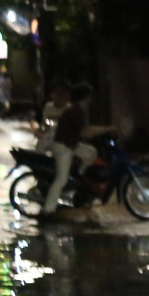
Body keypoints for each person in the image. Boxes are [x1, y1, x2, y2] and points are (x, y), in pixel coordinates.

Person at [40, 83, 95, 219]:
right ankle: (48, 210)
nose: (91, 100)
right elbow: (86, 132)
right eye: (89, 97)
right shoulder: (76, 111)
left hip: (71, 145)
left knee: (91, 152)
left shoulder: (77, 109)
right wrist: (106, 129)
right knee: (61, 179)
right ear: (85, 98)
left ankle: (78, 176)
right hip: (63, 147)